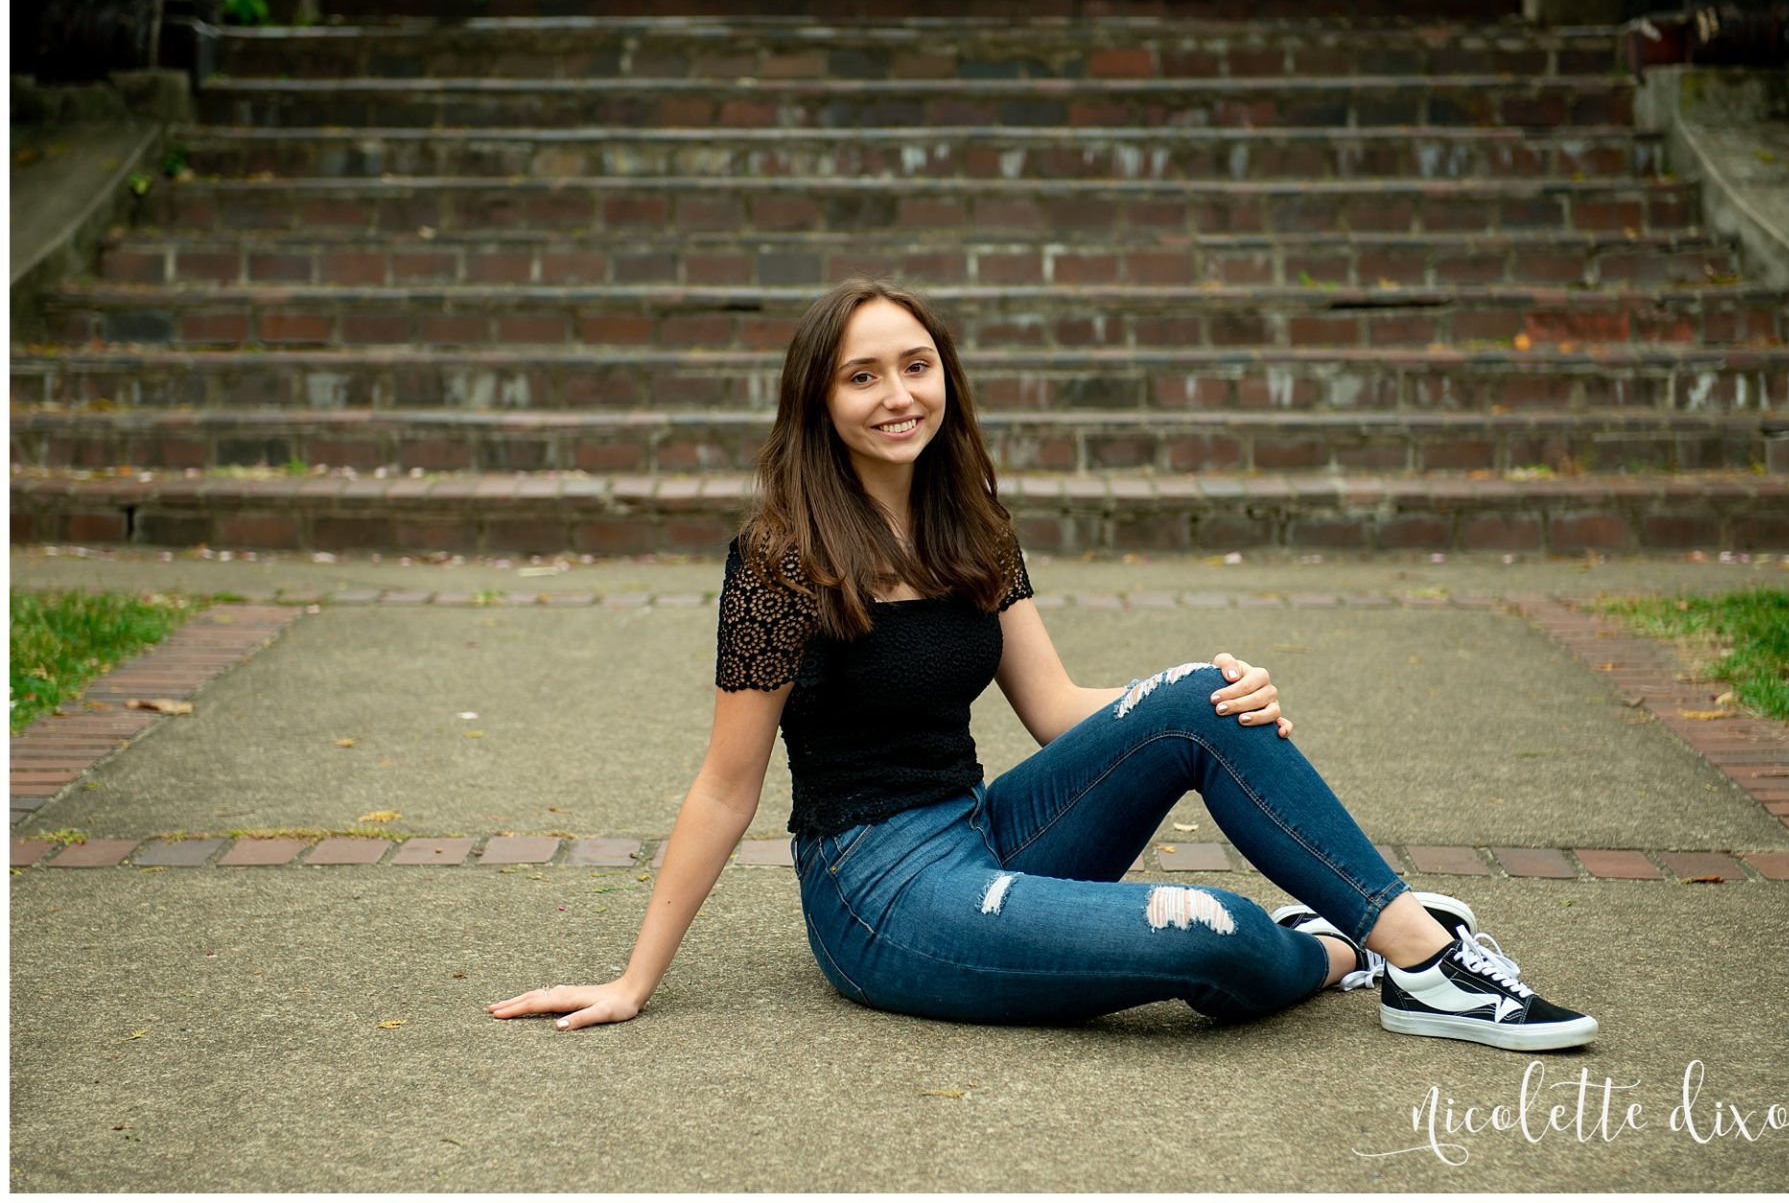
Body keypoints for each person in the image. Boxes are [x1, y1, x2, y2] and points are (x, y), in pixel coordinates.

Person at [489, 279, 1597, 1045]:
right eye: (861, 377)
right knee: (1206, 932)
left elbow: (1060, 709)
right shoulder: (780, 559)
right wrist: (635, 980)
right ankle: (1338, 956)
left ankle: (1421, 959)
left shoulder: (973, 524)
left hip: (984, 828)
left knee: (1198, 691)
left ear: (946, 377)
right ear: (818, 404)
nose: (896, 396)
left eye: (915, 366)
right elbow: (727, 783)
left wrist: (1212, 699)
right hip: (878, 895)